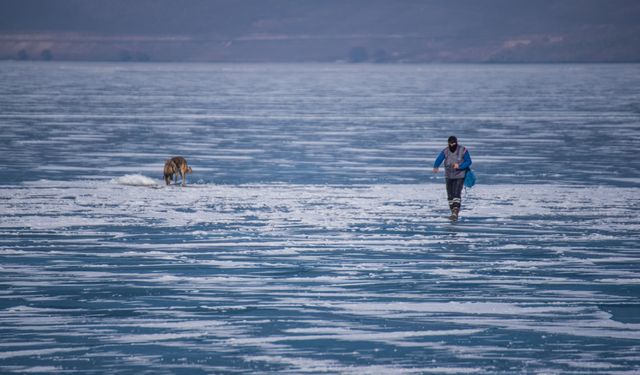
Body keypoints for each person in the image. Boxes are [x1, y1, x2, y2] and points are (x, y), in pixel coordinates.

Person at [432, 136, 472, 221]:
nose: (452, 145)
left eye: (454, 143)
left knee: (456, 193)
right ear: (448, 143)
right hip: (449, 175)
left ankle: (455, 211)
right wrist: (436, 166)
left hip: (459, 175)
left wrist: (460, 166)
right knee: (450, 195)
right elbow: (439, 158)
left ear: (456, 142)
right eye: (450, 143)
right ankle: (452, 211)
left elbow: (469, 161)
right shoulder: (445, 151)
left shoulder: (463, 150)